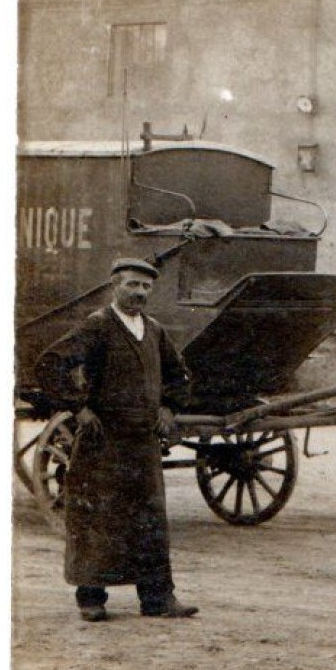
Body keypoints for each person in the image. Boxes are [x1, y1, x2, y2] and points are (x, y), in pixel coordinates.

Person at [35, 257, 196, 622]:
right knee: (98, 518)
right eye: (132, 285)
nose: (139, 293)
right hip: (103, 441)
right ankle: (91, 598)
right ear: (114, 286)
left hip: (143, 443)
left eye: (145, 287)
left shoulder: (153, 330)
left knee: (150, 519)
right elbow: (50, 363)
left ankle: (158, 599)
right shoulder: (97, 326)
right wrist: (78, 408)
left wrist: (169, 408)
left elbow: (179, 374)